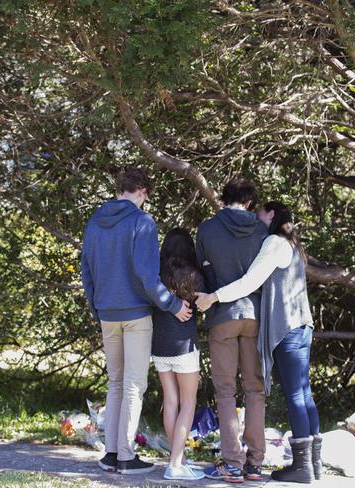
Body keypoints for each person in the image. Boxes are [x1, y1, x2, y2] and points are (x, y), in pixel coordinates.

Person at [196, 202, 321, 484]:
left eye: (261, 213)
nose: (256, 218)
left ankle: (302, 467)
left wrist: (213, 297)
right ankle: (314, 463)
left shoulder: (274, 243)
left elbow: (249, 282)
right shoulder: (293, 244)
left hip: (287, 327)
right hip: (303, 325)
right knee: (304, 392)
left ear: (272, 215)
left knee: (295, 395)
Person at [80, 168, 192, 475]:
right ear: (141, 190)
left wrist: (97, 308)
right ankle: (127, 456)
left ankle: (111, 454)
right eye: (146, 196)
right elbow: (146, 275)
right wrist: (171, 304)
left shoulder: (94, 223)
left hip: (107, 313)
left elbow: (86, 272)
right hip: (135, 314)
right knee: (132, 386)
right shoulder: (141, 222)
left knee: (115, 383)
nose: (145, 202)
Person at [196, 178, 269, 483]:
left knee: (226, 390)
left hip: (222, 314)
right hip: (254, 315)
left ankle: (232, 462)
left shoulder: (207, 229)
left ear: (222, 199)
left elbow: (203, 272)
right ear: (250, 202)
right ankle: (255, 462)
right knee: (255, 389)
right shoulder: (263, 232)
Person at [151, 228, 206, 481]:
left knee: (170, 401)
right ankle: (175, 464)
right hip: (184, 347)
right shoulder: (195, 276)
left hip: (160, 345)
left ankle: (178, 460)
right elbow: (203, 305)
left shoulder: (156, 275)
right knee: (188, 404)